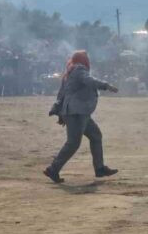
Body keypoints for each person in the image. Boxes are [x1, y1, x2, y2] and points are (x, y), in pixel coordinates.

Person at [43, 50, 119, 183]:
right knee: (73, 143)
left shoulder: (70, 72)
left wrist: (59, 111)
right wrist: (106, 86)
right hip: (77, 112)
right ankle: (53, 169)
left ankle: (99, 168)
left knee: (96, 136)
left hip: (78, 112)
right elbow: (89, 80)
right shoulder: (79, 69)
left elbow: (62, 93)